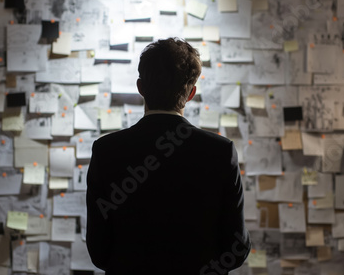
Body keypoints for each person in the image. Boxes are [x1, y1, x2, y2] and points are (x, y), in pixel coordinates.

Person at [86, 38, 251, 275]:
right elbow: (236, 250)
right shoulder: (220, 152)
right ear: (191, 93)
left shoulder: (106, 150)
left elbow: (99, 252)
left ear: (141, 87)